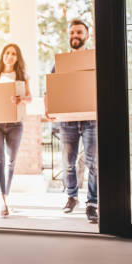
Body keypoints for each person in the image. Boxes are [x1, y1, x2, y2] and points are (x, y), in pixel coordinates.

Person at [46, 19, 99, 224]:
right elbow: (50, 88)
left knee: (93, 164)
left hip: (91, 119)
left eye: (79, 32)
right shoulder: (61, 62)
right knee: (68, 163)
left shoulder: (93, 60)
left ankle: (92, 203)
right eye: (72, 33)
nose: (75, 36)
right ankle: (72, 197)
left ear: (86, 35)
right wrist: (49, 108)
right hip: (67, 121)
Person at [0, 44, 31, 217]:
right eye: (7, 53)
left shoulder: (22, 76)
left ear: (17, 58)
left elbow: (30, 98)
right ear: (2, 55)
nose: (10, 56)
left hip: (14, 124)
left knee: (10, 162)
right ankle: (2, 200)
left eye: (14, 54)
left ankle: (6, 196)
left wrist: (22, 99)